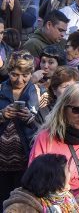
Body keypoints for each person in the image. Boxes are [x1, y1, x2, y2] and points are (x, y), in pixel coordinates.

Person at [0, 50, 41, 201]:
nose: (20, 80)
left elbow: (46, 127)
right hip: (1, 162)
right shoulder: (0, 90)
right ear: (8, 72)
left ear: (31, 73)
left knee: (21, 201)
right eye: (15, 74)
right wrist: (2, 115)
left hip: (26, 160)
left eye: (25, 75)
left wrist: (30, 119)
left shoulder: (39, 93)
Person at [3, 153, 79, 213]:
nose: (70, 173)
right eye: (67, 171)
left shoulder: (64, 197)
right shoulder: (21, 206)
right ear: (54, 179)